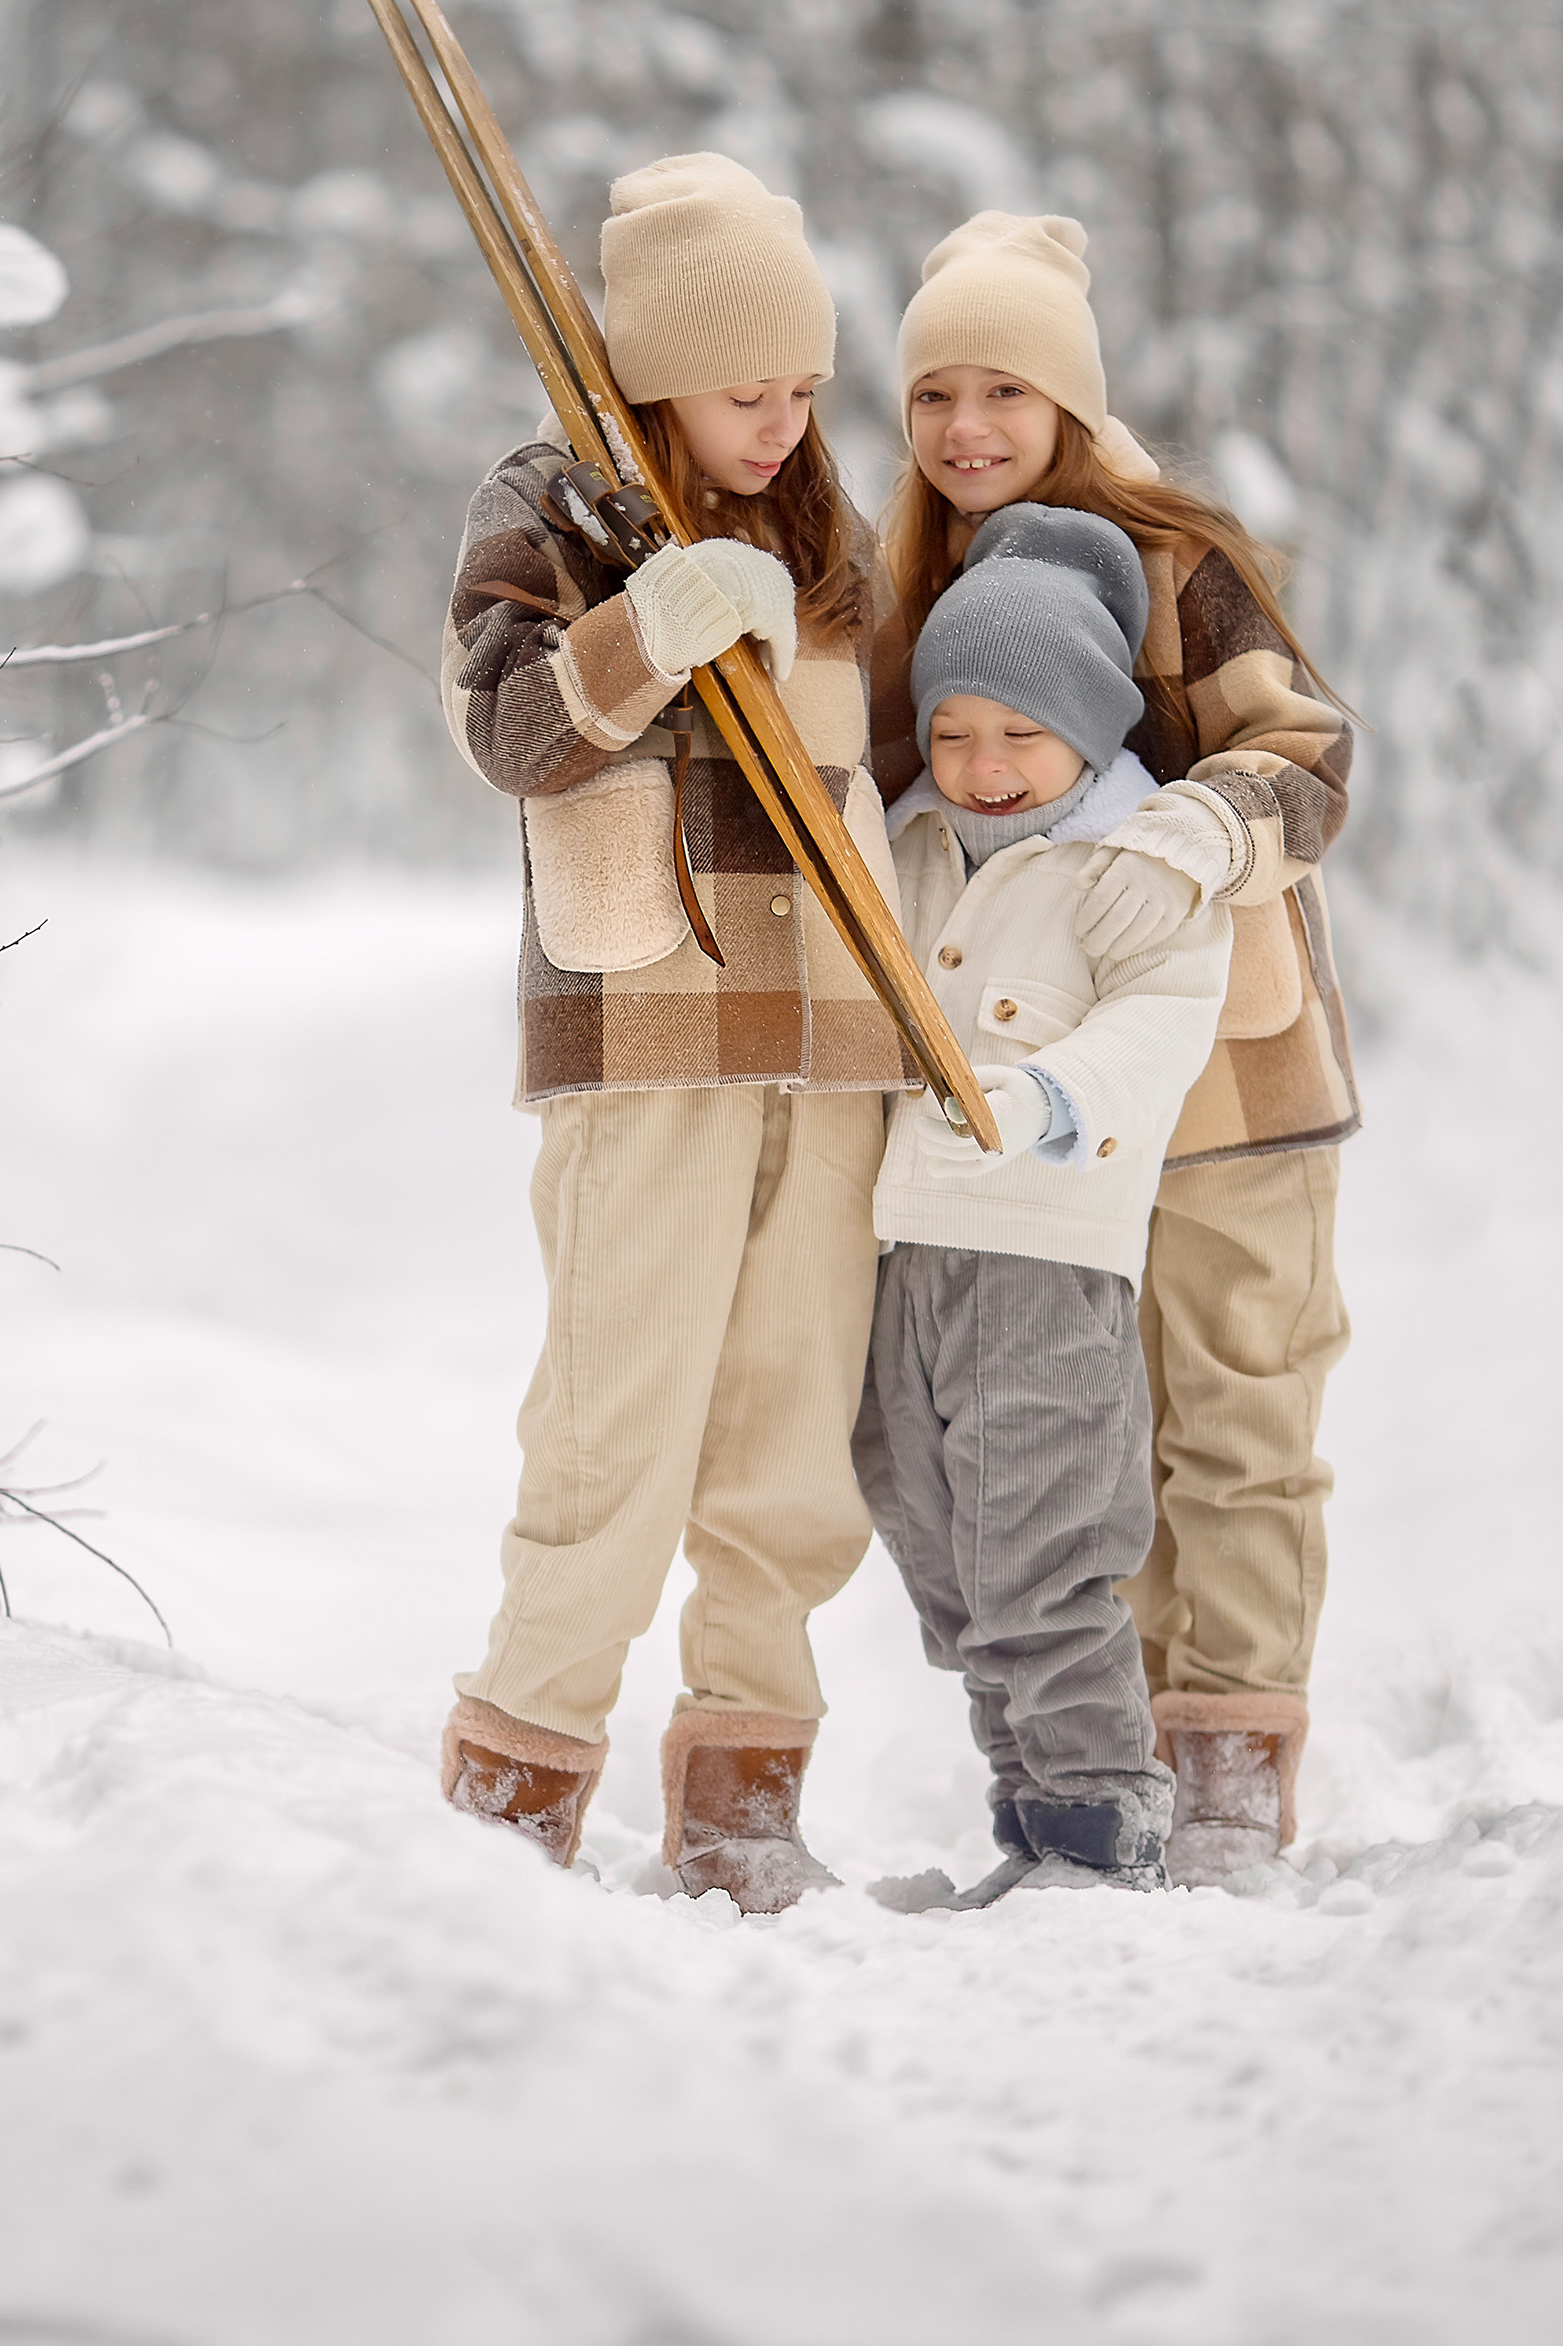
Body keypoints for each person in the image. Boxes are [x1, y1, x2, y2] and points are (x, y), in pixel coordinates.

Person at [437, 152, 910, 1913]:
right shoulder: (552, 498)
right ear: (657, 378)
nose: (785, 423)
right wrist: (647, 631)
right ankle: (513, 1794)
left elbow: (883, 763)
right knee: (612, 1428)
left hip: (833, 1036)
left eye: (805, 387)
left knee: (791, 1444)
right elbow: (504, 734)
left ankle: (745, 1808)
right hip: (648, 1028)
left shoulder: (823, 522)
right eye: (746, 391)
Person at [872, 212, 1359, 1885]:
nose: (968, 429)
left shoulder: (1175, 557)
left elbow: (1309, 748)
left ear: (1069, 401)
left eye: (1005, 390)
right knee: (1095, 1438)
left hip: (1225, 1073)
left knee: (1236, 1415)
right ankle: (1122, 1768)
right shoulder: (911, 579)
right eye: (936, 395)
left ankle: (1232, 1777)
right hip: (1031, 1102)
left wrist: (1206, 829)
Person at [859, 504, 1231, 1898]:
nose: (984, 765)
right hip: (903, 1256)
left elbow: (1164, 1021)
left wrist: (1045, 1095)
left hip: (1045, 1261)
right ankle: (1031, 1815)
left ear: (1089, 730)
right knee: (939, 1550)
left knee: (1042, 1548)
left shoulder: (1131, 869)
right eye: (954, 731)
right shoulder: (906, 846)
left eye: (1022, 731)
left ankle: (1097, 1817)